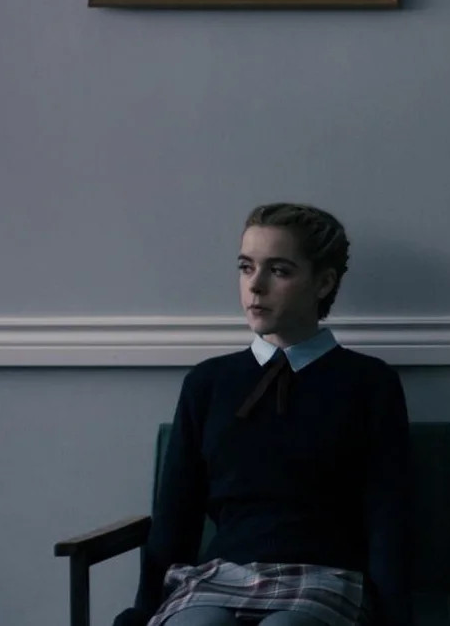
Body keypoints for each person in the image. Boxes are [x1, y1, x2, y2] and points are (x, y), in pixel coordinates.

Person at [114, 203, 412, 626]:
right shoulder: (208, 382)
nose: (255, 286)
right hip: (220, 575)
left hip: (324, 578)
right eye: (246, 267)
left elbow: (388, 516)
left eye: (279, 270)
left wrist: (394, 617)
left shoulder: (368, 383)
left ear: (324, 282)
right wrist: (144, 610)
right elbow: (176, 514)